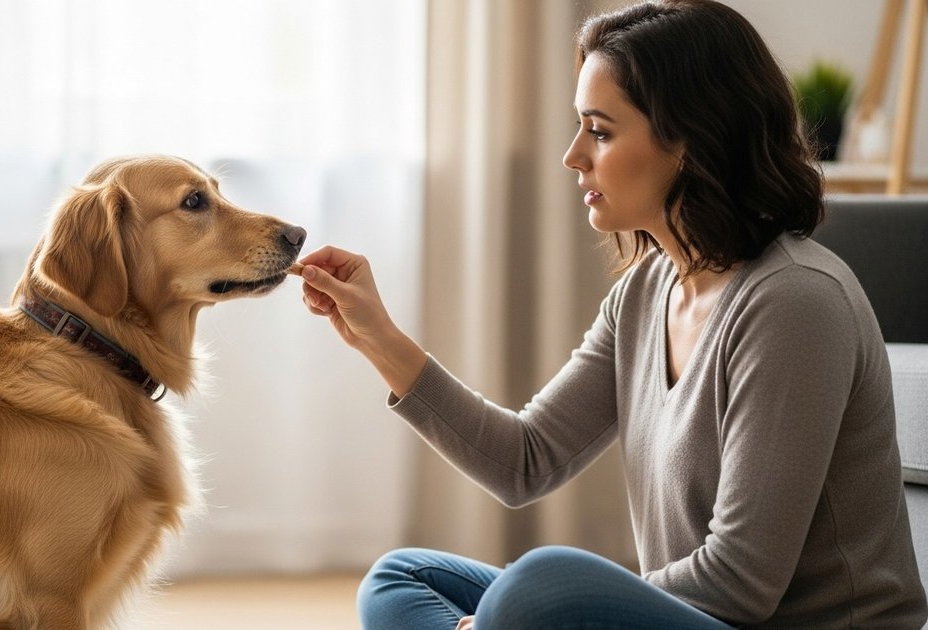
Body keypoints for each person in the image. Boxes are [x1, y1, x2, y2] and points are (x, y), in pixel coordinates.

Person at [296, 0, 928, 628]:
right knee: (402, 578)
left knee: (538, 589)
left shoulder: (794, 301)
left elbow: (740, 584)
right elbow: (526, 460)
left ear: (690, 139)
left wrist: (567, 607)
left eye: (599, 130)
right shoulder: (646, 290)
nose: (573, 155)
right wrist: (377, 336)